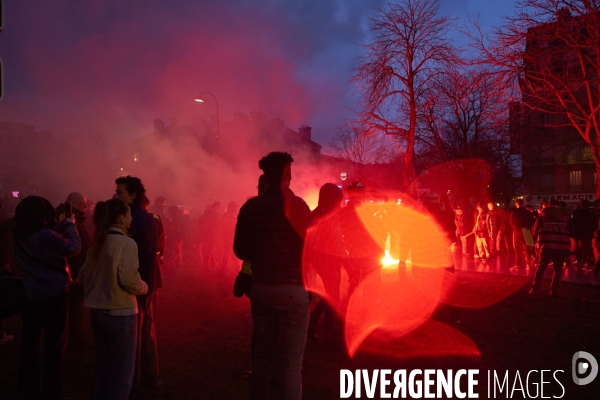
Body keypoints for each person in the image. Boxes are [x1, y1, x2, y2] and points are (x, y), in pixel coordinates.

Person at [234, 152, 311, 400]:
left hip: (262, 288)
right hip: (292, 288)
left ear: (265, 176)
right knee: (290, 362)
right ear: (287, 175)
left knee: (263, 357)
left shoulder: (249, 207)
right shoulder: (298, 206)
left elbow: (241, 250)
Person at [79, 198, 148, 400]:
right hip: (120, 314)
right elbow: (129, 280)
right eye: (129, 214)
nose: (131, 218)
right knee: (122, 374)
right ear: (120, 218)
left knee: (103, 368)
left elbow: (83, 276)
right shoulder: (126, 243)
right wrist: (144, 287)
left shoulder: (97, 243)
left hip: (97, 314)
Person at [13, 196, 81, 400]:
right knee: (55, 345)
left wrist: (59, 226)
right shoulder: (44, 236)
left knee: (30, 343)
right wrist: (71, 226)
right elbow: (73, 248)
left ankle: (28, 388)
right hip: (54, 295)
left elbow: (47, 236)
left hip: (30, 294)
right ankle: (52, 391)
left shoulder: (20, 234)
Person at [113, 176, 162, 395]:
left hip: (138, 285)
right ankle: (151, 378)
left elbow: (133, 256)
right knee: (146, 332)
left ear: (133, 195)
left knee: (135, 336)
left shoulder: (134, 219)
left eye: (120, 192)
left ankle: (133, 384)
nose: (116, 196)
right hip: (147, 282)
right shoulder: (146, 217)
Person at [306, 183, 344, 345]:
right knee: (333, 295)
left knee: (332, 295)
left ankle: (316, 326)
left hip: (331, 259)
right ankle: (327, 331)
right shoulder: (318, 216)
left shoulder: (327, 213)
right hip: (325, 260)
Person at [60, 192, 92, 350]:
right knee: (74, 307)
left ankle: (72, 337)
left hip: (75, 272)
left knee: (75, 306)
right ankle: (74, 339)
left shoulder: (75, 219)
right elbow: (73, 250)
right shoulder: (67, 221)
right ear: (72, 202)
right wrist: (77, 273)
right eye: (83, 202)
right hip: (72, 274)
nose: (85, 205)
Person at [529, 199, 572, 297]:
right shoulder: (566, 217)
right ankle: (554, 291)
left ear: (549, 206)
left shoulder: (543, 217)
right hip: (560, 246)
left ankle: (534, 289)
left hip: (546, 246)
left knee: (540, 268)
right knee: (558, 270)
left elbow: (534, 230)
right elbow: (572, 231)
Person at [510, 199, 535, 270]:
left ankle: (518, 265)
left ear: (516, 204)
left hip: (518, 231)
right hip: (527, 230)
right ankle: (529, 265)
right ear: (523, 203)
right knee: (528, 248)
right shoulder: (528, 212)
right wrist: (528, 227)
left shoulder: (514, 212)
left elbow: (512, 222)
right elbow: (532, 221)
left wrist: (517, 228)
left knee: (517, 248)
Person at [197, 202, 221, 268]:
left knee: (209, 249)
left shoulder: (205, 214)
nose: (220, 209)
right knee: (211, 249)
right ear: (217, 207)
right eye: (220, 207)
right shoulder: (214, 214)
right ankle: (206, 264)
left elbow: (199, 222)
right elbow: (217, 225)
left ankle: (213, 263)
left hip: (205, 235)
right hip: (212, 235)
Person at [220, 201, 239, 275]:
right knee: (228, 253)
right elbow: (232, 226)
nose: (236, 208)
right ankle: (225, 269)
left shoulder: (226, 215)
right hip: (230, 237)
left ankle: (226, 269)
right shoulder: (231, 215)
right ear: (232, 207)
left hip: (229, 237)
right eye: (235, 207)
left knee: (229, 253)